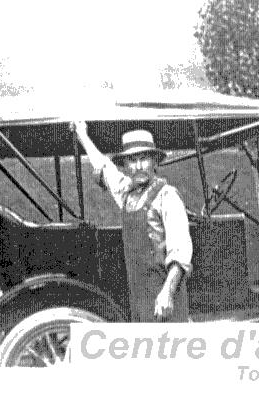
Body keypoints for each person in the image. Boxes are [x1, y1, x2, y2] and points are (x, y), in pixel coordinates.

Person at [71, 122, 192, 322]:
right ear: (125, 166)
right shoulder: (127, 193)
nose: (138, 166)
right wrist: (82, 134)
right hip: (139, 296)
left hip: (164, 295)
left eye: (144, 158)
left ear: (154, 162)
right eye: (132, 160)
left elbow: (180, 252)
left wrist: (167, 294)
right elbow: (103, 167)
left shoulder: (167, 196)